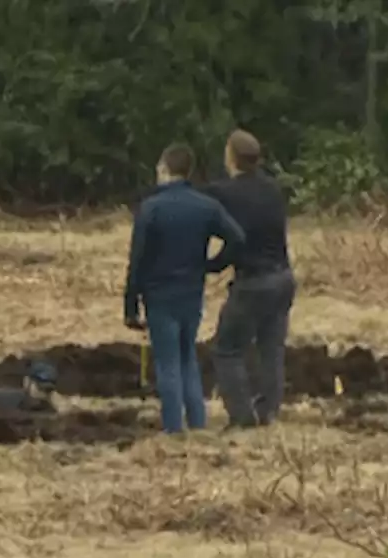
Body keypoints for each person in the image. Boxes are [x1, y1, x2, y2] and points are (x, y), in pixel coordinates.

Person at [124, 143, 245, 434]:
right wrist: (212, 265)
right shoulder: (205, 206)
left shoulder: (151, 209)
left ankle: (174, 431)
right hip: (191, 292)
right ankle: (198, 425)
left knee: (167, 363)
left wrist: (130, 305)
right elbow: (238, 238)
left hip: (159, 295)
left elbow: (136, 260)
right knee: (187, 357)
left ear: (164, 170)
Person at [202, 129, 296, 428]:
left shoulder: (226, 192)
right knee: (272, 349)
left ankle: (242, 418)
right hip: (283, 278)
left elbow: (237, 240)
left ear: (230, 157)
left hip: (254, 282)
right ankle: (267, 412)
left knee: (226, 349)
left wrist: (212, 264)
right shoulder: (273, 189)